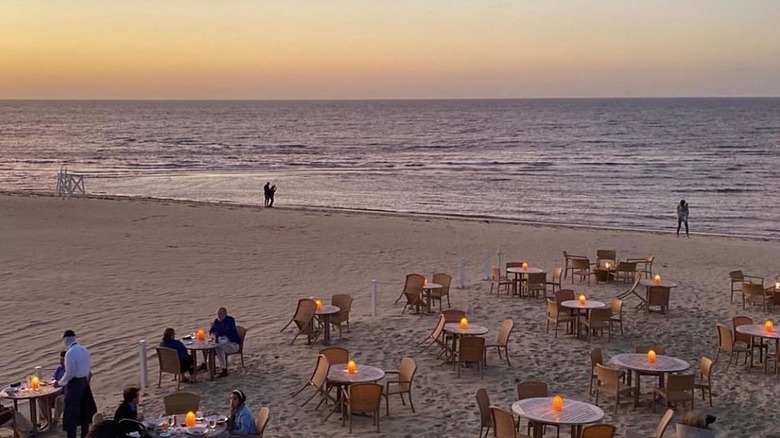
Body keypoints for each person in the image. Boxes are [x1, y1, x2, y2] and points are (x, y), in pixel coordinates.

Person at [54, 330, 97, 438]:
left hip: (74, 385)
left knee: (71, 414)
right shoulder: (84, 350)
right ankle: (84, 435)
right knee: (84, 412)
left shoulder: (70, 353)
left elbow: (70, 373)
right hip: (84, 383)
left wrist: (60, 383)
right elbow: (88, 367)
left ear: (66, 340)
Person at [208, 307, 240, 378]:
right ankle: (208, 365)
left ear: (225, 314)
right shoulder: (216, 321)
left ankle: (224, 370)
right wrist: (214, 332)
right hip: (221, 342)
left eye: (220, 314)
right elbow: (211, 331)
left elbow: (226, 331)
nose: (219, 315)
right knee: (210, 346)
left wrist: (216, 332)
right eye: (218, 314)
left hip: (233, 344)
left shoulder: (230, 320)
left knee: (218, 347)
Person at [39, 351, 67, 429]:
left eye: (63, 361)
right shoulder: (59, 369)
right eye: (60, 360)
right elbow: (53, 378)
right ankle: (48, 420)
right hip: (55, 391)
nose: (61, 363)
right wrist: (54, 381)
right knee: (41, 398)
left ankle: (55, 422)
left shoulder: (70, 371)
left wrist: (59, 383)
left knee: (59, 399)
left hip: (66, 393)